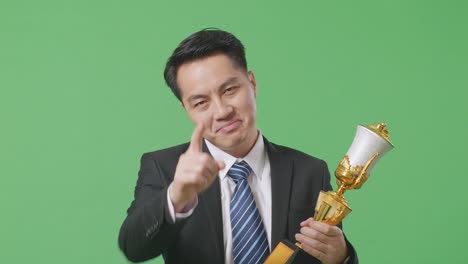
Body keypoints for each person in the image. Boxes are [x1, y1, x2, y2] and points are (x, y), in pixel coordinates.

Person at [118, 29, 358, 264]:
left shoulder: (310, 171)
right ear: (186, 109)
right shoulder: (164, 167)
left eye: (230, 90)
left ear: (252, 83)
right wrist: (178, 195)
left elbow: (326, 254)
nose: (222, 111)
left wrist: (340, 256)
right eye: (201, 102)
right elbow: (134, 248)